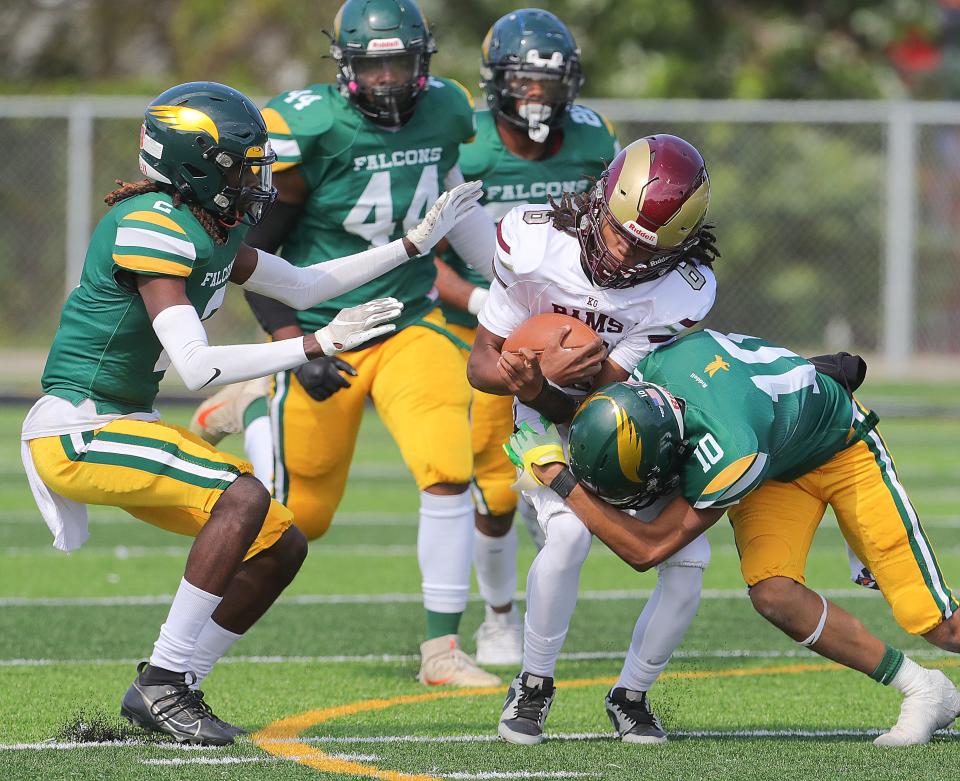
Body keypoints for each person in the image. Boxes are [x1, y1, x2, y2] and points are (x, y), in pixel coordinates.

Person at [19, 81, 481, 745]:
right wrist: (315, 343)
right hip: (77, 429)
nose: (257, 177)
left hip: (123, 421)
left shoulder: (205, 226)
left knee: (280, 537)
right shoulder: (150, 225)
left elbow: (306, 283)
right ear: (195, 165)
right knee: (243, 497)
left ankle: (176, 684)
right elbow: (197, 367)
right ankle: (162, 680)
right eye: (244, 163)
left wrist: (410, 246)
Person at [191, 0, 501, 687]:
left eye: (401, 62)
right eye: (375, 64)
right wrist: (294, 345)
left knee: (448, 465)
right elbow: (256, 254)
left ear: (424, 60)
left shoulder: (448, 109)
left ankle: (441, 649)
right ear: (346, 69)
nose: (390, 79)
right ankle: (248, 405)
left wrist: (503, 286)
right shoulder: (313, 129)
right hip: (324, 325)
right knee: (299, 521)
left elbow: (456, 202)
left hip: (411, 315)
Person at [507, 329, 960, 747]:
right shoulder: (648, 375)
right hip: (779, 459)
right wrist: (538, 395)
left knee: (940, 625)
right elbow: (606, 419)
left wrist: (559, 480)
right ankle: (924, 688)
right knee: (774, 595)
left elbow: (647, 550)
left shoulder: (731, 449)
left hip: (840, 448)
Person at [466, 134, 720, 744]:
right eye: (617, 235)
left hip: (631, 418)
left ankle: (631, 695)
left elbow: (599, 398)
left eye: (645, 251)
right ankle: (533, 683)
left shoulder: (682, 289)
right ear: (600, 203)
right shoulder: (532, 243)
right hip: (538, 421)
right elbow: (479, 362)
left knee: (689, 561)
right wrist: (519, 380)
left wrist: (540, 386)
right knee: (570, 534)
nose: (625, 259)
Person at [434, 8, 619, 666]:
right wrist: (482, 297)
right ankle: (498, 615)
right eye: (525, 81)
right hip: (490, 333)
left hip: (575, 335)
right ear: (497, 83)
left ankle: (553, 558)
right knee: (494, 486)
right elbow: (425, 252)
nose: (537, 94)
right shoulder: (467, 145)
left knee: (595, 464)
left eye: (550, 80)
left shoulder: (594, 138)